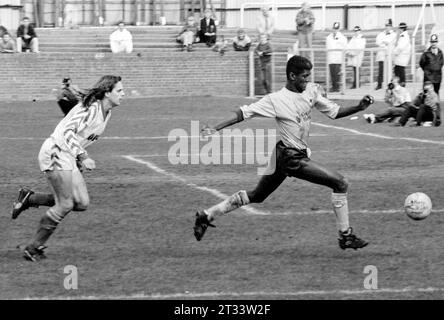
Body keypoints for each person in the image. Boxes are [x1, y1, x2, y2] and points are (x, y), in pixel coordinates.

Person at [194, 55, 373, 250]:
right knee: (340, 183)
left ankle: (207, 215)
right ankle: (345, 236)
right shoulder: (276, 100)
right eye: (304, 76)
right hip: (291, 158)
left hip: (283, 155)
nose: (307, 80)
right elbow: (243, 113)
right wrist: (215, 127)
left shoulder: (311, 91)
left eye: (308, 76)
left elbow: (334, 112)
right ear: (292, 76)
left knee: (257, 195)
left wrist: (359, 107)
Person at [11, 75, 125, 262]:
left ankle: (29, 198)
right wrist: (83, 156)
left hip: (68, 155)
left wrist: (78, 155)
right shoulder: (91, 109)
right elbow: (68, 131)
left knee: (81, 203)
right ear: (107, 93)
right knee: (65, 204)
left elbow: (81, 136)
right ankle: (33, 248)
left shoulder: (107, 112)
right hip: (56, 152)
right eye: (119, 91)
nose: (123, 94)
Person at [375, 19, 397, 90]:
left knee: (389, 71)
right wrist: (384, 44)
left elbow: (391, 42)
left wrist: (384, 42)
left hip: (388, 55)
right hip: (381, 55)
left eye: (388, 25)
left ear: (391, 26)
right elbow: (378, 41)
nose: (387, 27)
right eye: (386, 25)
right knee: (380, 71)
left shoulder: (394, 34)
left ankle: (389, 85)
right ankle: (379, 84)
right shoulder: (381, 33)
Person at [326, 22, 347, 92]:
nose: (335, 30)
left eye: (336, 29)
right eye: (334, 29)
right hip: (331, 57)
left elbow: (344, 47)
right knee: (332, 73)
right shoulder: (329, 37)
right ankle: (333, 86)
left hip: (338, 58)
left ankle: (337, 87)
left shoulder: (342, 37)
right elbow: (328, 46)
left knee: (337, 73)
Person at [393, 22, 411, 87]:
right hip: (400, 57)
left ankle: (402, 86)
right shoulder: (402, 36)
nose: (398, 30)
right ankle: (398, 85)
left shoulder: (404, 36)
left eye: (399, 28)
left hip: (401, 57)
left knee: (400, 72)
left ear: (402, 29)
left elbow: (400, 47)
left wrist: (394, 52)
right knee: (397, 71)